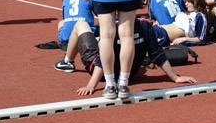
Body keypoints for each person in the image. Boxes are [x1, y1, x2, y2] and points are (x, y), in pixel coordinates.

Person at [62, 18, 197, 98]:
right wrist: (175, 77)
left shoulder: (114, 28)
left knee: (80, 24)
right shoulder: (145, 26)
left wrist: (91, 85)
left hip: (102, 73)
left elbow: (100, 61)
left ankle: (67, 61)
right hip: (127, 74)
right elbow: (157, 54)